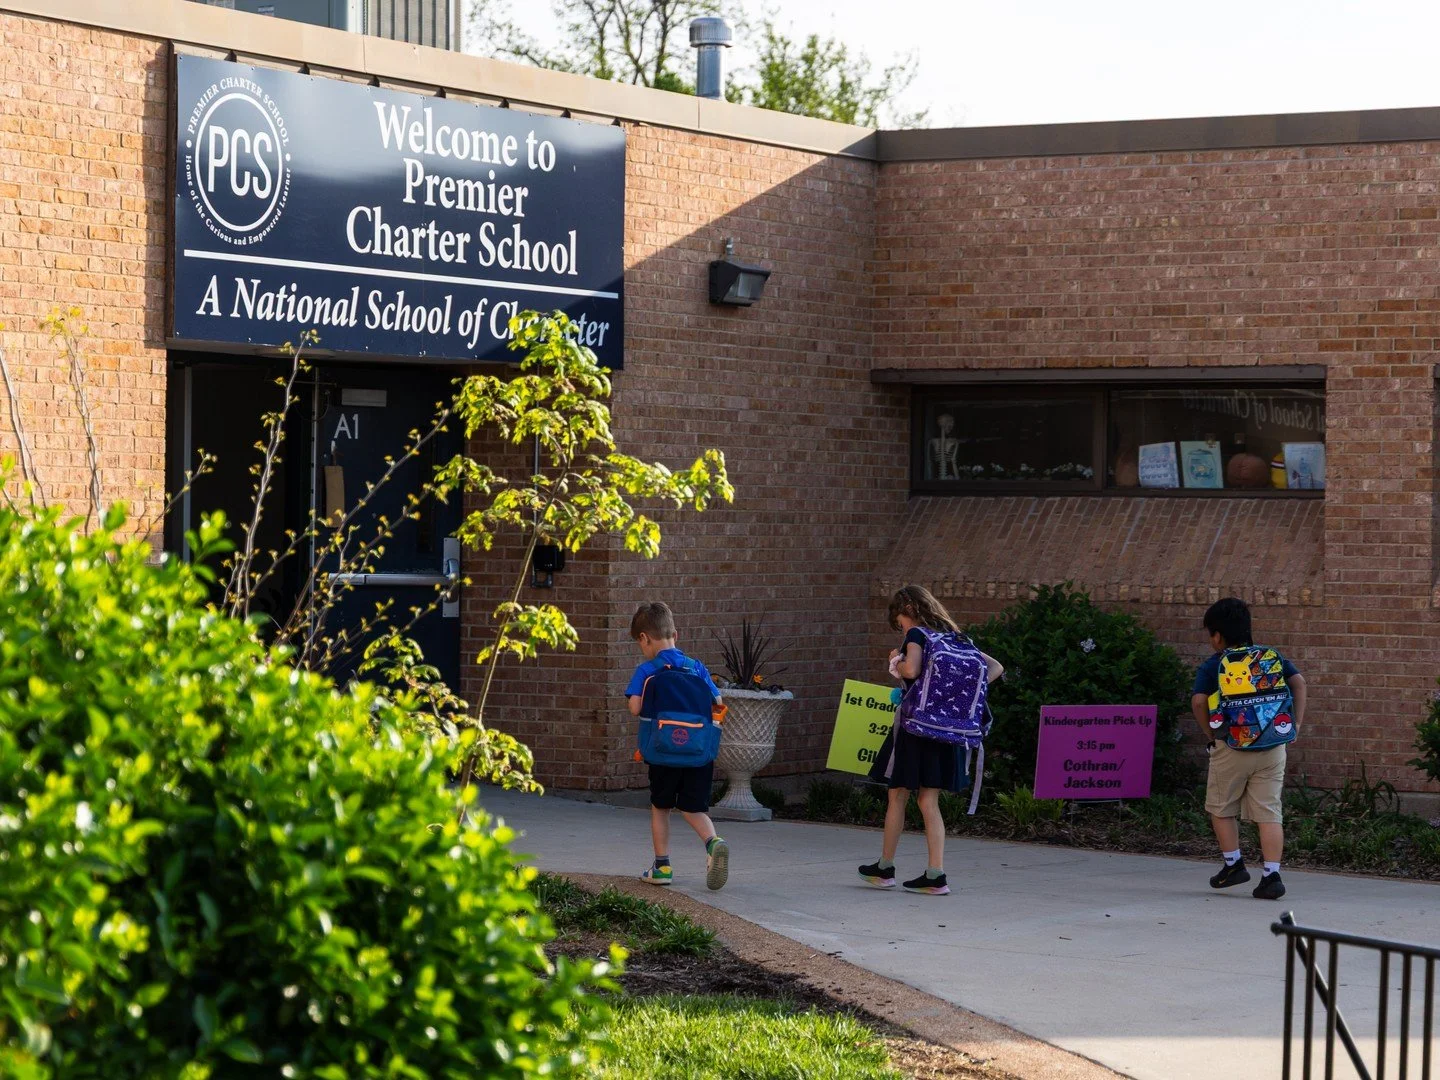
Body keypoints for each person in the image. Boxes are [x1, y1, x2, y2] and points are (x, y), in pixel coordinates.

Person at [859, 585, 1003, 895]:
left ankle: (885, 868)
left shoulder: (917, 636)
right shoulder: (956, 638)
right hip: (947, 730)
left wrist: (895, 662)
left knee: (897, 794)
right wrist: (951, 695)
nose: (901, 627)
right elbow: (994, 668)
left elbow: (911, 669)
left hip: (914, 730)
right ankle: (936, 874)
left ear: (905, 613)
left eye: (899, 621)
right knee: (929, 800)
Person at [1192, 597, 1306, 900]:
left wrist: (1211, 733)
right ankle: (1272, 875)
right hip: (1272, 746)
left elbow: (1200, 701)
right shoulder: (1271, 657)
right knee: (1269, 812)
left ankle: (1234, 864)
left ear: (1217, 635)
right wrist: (1295, 725)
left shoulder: (1215, 663)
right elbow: (1299, 683)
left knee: (1220, 807)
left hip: (1232, 746)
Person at [625, 601, 730, 891]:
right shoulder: (696, 668)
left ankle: (662, 867)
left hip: (662, 753)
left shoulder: (647, 670)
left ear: (645, 638)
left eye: (640, 644)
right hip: (697, 753)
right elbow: (717, 703)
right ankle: (714, 843)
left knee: (661, 807)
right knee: (694, 808)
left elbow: (635, 707)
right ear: (675, 634)